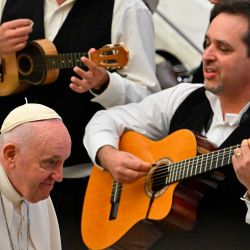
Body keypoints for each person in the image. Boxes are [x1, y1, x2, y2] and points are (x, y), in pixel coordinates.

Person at [84, 1, 250, 249]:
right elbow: (106, 119)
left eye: (223, 48)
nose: (207, 55)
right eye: (207, 44)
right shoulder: (185, 96)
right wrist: (107, 154)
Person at [0, 0, 160, 248]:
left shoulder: (126, 7)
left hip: (78, 184)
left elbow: (149, 102)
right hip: (6, 177)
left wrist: (106, 84)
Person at [0, 103, 71, 250]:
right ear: (11, 155)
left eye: (63, 162)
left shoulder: (36, 190)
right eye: (51, 162)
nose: (59, 177)